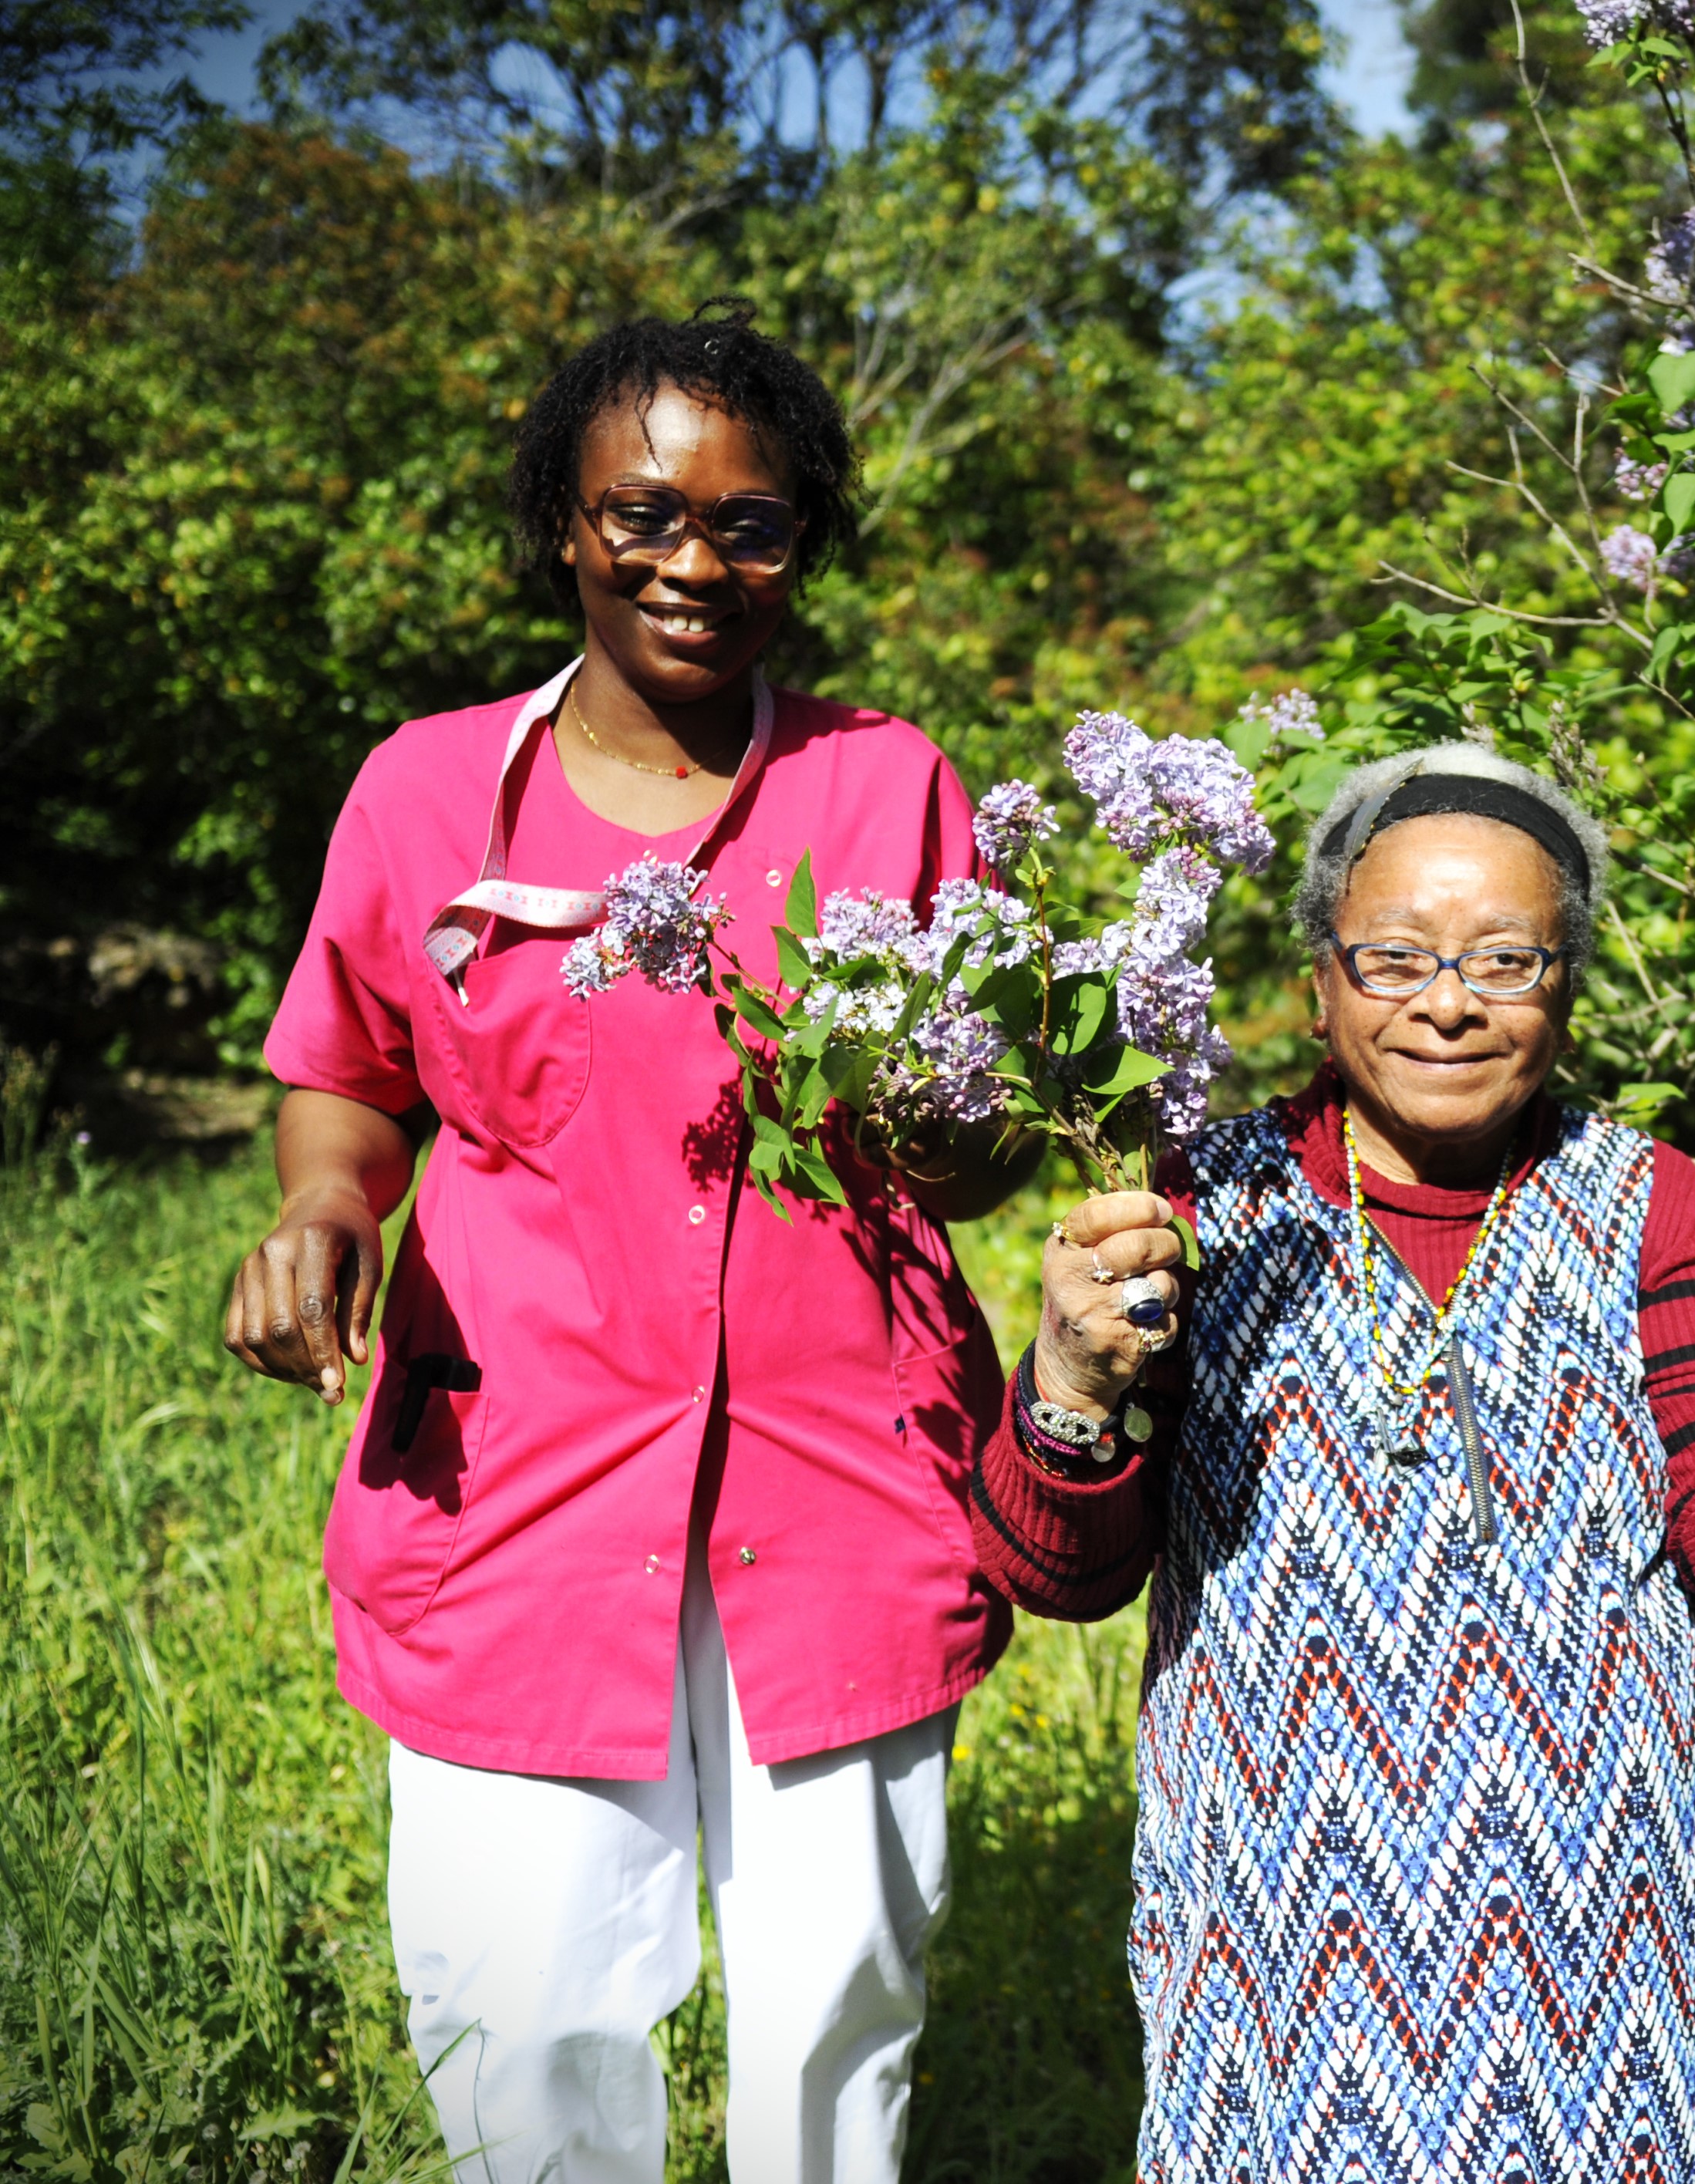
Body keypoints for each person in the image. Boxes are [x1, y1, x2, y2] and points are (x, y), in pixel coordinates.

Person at [223, 301, 1033, 2180]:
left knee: (836, 2010)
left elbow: (978, 1144)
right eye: (644, 513)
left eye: (752, 524)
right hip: (514, 1479)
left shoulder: (888, 784)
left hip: (836, 1491)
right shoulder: (426, 791)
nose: (694, 561)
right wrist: (327, 1202)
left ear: (802, 542)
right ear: (566, 524)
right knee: (525, 2004)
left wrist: (956, 1123)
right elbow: (346, 1071)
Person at [967, 743, 1695, 2182]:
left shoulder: (1655, 1205)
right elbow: (1058, 1568)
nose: (1450, 1003)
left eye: (1506, 961)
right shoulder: (1199, 1208)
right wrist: (1070, 1381)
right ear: (1322, 977)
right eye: (1396, 957)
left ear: (1568, 983)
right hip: (1281, 1945)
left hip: (1597, 1947)